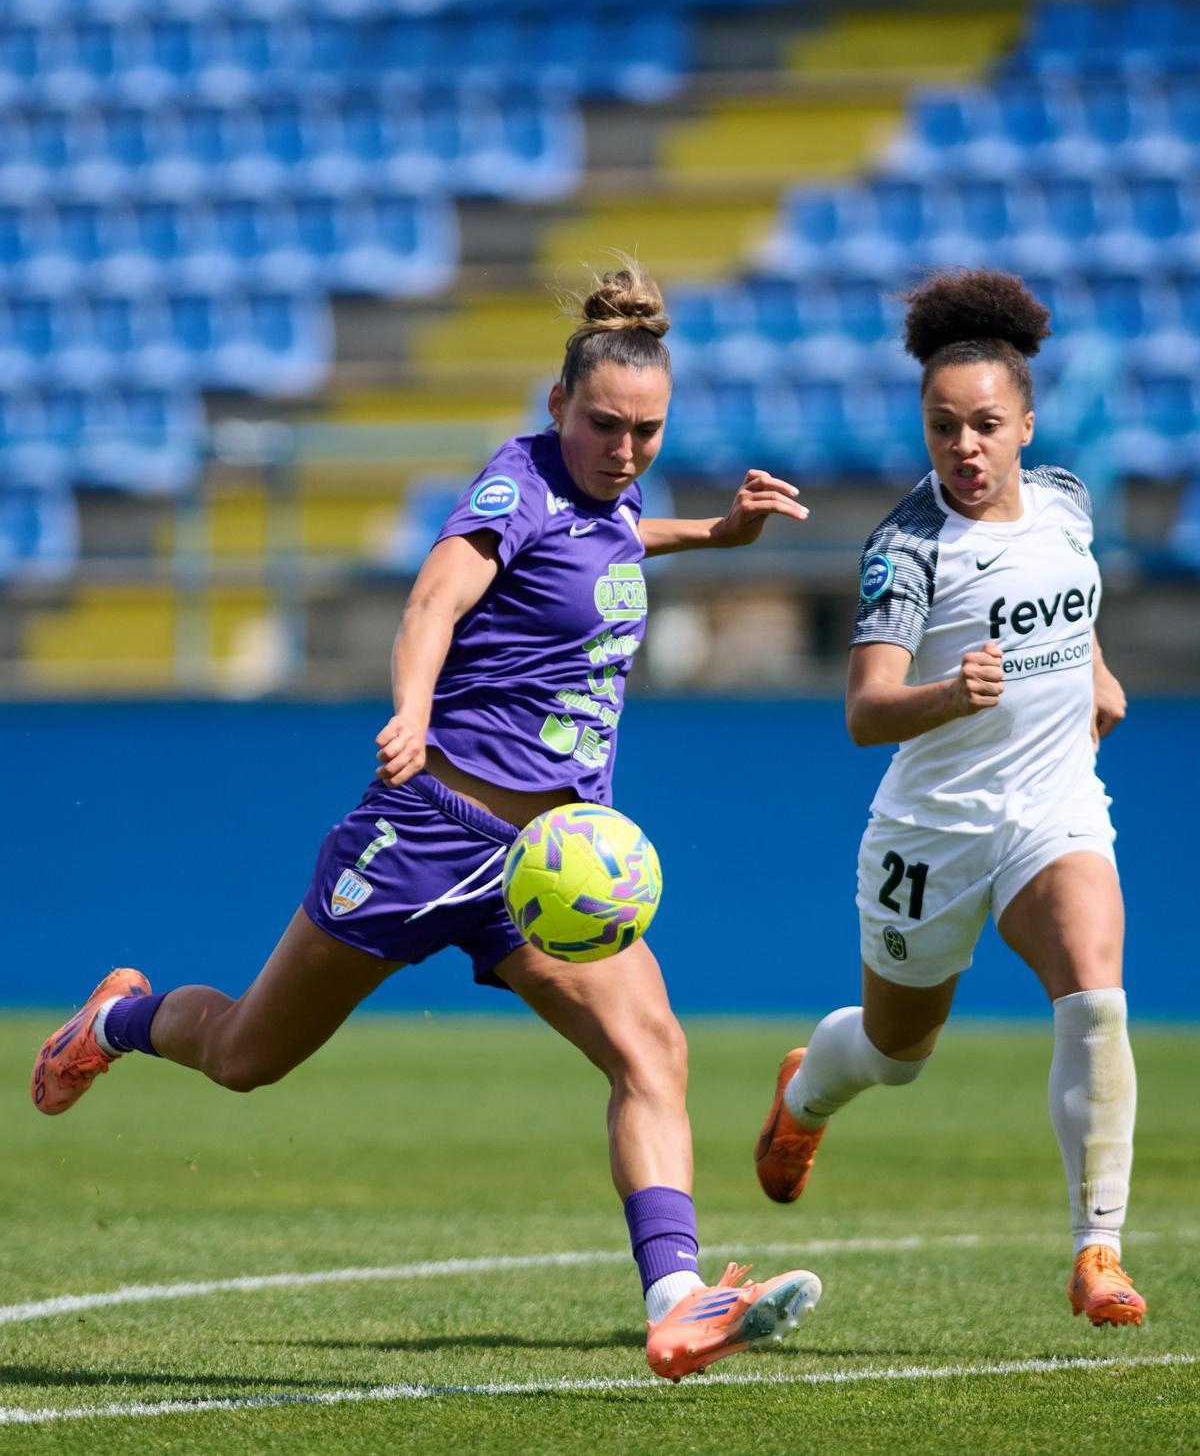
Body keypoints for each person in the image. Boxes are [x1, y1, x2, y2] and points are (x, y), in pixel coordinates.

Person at [32, 260, 821, 1381]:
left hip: (546, 865)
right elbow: (433, 601)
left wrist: (713, 532)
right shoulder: (517, 485)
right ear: (558, 406)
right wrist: (410, 709)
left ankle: (679, 1300)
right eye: (604, 426)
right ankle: (114, 1022)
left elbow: (606, 542)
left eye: (647, 431)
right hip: (429, 833)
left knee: (652, 1050)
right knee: (248, 1056)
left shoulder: (610, 494)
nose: (625, 450)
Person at [754, 267, 1145, 1328]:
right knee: (896, 1055)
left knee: (1095, 992)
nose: (963, 448)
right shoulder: (908, 549)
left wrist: (1095, 671)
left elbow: (1064, 601)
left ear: (1026, 425)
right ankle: (804, 1092)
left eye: (984, 426)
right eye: (942, 428)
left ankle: (1097, 1251)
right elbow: (866, 711)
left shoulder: (1065, 502)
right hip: (934, 831)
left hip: (1054, 805)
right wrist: (948, 692)